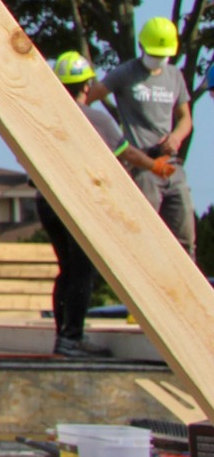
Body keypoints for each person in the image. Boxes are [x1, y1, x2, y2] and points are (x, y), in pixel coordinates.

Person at [42, 53, 140, 358]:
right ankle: (72, 339)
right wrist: (152, 164)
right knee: (83, 271)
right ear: (86, 86)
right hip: (76, 204)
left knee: (67, 270)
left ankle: (63, 337)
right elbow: (126, 154)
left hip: (46, 202)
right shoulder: (96, 118)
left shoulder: (47, 116)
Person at [99, 18, 195, 257]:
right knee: (146, 236)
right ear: (142, 46)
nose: (158, 58)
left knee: (185, 239)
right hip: (143, 166)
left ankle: (187, 292)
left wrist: (176, 137)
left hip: (170, 165)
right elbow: (88, 100)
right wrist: (112, 138)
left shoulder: (175, 76)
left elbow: (186, 119)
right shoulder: (125, 73)